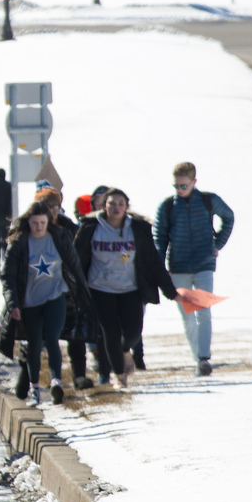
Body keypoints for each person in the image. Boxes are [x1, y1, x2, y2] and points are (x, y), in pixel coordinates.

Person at [74, 188, 175, 390]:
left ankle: (124, 349)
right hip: (100, 289)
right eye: (112, 204)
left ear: (127, 207)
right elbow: (76, 259)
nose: (116, 208)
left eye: (120, 204)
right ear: (104, 206)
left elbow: (153, 261)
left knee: (133, 331)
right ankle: (119, 376)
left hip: (130, 288)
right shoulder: (90, 227)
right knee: (110, 332)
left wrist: (170, 291)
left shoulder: (137, 228)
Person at [154, 162, 234, 376]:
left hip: (204, 265)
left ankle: (203, 358)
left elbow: (229, 217)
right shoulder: (167, 206)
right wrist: (160, 267)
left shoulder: (209, 201)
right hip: (178, 267)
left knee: (204, 312)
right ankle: (197, 357)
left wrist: (218, 244)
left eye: (183, 186)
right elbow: (160, 237)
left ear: (194, 182)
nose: (180, 190)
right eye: (176, 186)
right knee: (187, 315)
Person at [1, 206, 84, 405]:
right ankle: (35, 389)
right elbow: (8, 276)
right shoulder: (20, 244)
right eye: (35, 223)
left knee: (53, 338)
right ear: (27, 223)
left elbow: (75, 264)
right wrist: (13, 304)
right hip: (30, 302)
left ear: (48, 222)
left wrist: (80, 293)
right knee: (34, 344)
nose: (39, 227)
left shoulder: (58, 239)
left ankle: (56, 382)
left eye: (42, 223)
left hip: (55, 296)